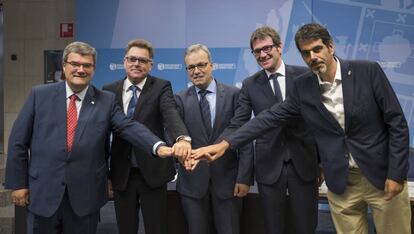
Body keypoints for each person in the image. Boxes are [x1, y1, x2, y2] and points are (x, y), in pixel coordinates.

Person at [193, 23, 411, 234]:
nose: (313, 57)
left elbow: (397, 123)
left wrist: (396, 173)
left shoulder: (367, 71)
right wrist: (225, 144)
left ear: (330, 47)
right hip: (342, 181)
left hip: (379, 176)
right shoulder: (304, 86)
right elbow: (268, 118)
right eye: (306, 53)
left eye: (317, 49)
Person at [4, 41, 176, 234]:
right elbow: (18, 141)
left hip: (84, 198)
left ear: (93, 69)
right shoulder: (39, 95)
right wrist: (18, 183)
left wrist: (157, 146)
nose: (80, 69)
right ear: (64, 66)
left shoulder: (106, 100)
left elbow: (128, 127)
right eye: (75, 64)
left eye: (87, 65)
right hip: (43, 193)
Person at [219, 26, 319, 234]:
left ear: (280, 47)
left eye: (267, 48)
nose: (263, 54)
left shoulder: (305, 76)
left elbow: (318, 122)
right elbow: (239, 123)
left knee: (306, 225)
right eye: (257, 51)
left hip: (304, 162)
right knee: (273, 227)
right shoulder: (249, 85)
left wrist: (322, 162)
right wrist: (218, 145)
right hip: (269, 165)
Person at [102, 39, 191, 234]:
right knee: (126, 228)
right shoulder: (108, 91)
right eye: (132, 59)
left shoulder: (161, 87)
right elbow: (103, 135)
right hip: (121, 173)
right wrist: (105, 175)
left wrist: (182, 138)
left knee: (156, 227)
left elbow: (170, 114)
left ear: (150, 65)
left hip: (153, 172)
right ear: (124, 62)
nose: (136, 64)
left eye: (142, 60)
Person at [175, 44, 254, 234]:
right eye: (191, 67)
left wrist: (244, 178)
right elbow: (176, 136)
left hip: (228, 183)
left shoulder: (235, 94)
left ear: (212, 65)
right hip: (192, 185)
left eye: (201, 65)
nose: (196, 71)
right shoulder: (178, 99)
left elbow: (244, 138)